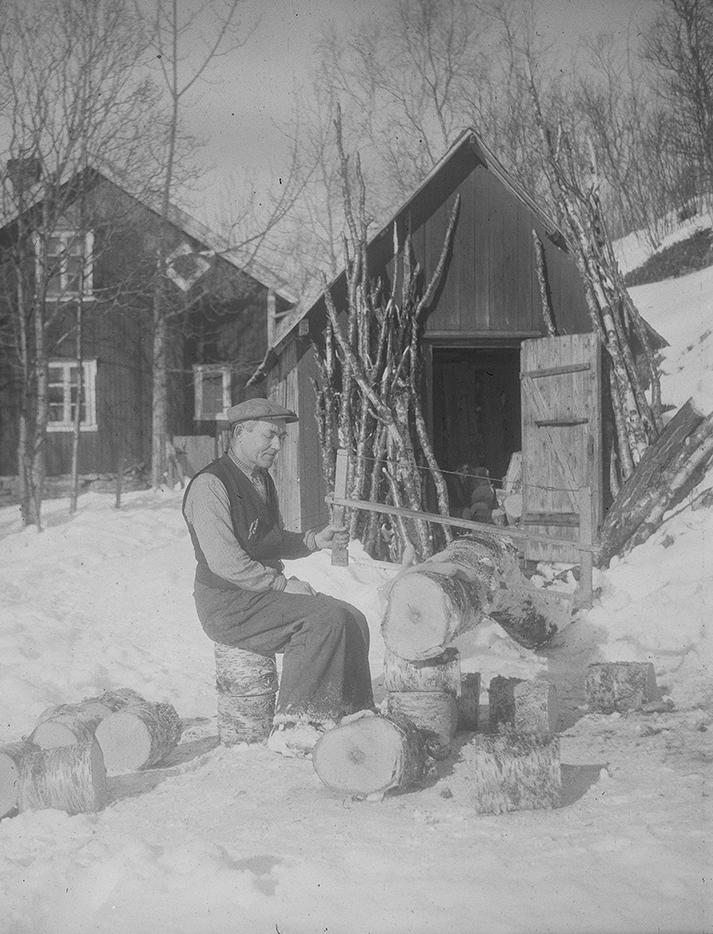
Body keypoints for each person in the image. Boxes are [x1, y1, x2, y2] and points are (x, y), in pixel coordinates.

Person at [182, 397, 374, 756]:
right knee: (325, 620)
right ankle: (296, 725)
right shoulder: (211, 486)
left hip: (258, 597)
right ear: (240, 433)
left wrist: (314, 540)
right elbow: (227, 563)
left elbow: (268, 540)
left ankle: (353, 716)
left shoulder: (260, 480)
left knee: (352, 617)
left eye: (281, 438)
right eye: (270, 435)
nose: (277, 445)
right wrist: (284, 586)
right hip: (227, 604)